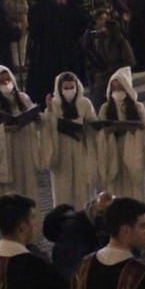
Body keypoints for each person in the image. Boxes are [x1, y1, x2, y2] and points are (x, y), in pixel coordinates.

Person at [0, 64, 45, 243]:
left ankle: (28, 235)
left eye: (8, 80)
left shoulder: (23, 98)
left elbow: (35, 118)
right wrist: (2, 130)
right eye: (2, 81)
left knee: (25, 191)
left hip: (23, 152)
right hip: (5, 156)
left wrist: (38, 119)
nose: (6, 84)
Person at [94, 66, 145, 201]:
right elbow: (100, 132)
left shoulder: (138, 108)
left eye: (120, 88)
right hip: (114, 152)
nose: (117, 91)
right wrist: (107, 133)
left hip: (132, 152)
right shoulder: (105, 108)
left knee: (135, 194)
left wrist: (135, 132)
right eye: (114, 88)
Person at [44, 71, 98, 208]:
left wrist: (88, 127)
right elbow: (48, 127)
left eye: (71, 87)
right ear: (60, 89)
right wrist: (49, 111)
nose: (69, 91)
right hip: (62, 151)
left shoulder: (85, 103)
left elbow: (94, 124)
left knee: (83, 190)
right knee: (63, 190)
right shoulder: (55, 105)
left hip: (81, 149)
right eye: (66, 88)